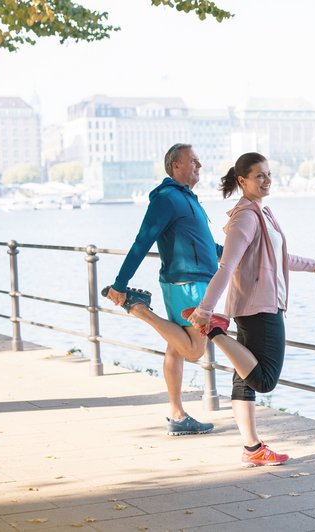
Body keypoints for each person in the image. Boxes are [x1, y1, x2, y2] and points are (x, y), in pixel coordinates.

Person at [185, 152, 315, 467]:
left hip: (255, 305)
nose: (266, 180)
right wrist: (205, 309)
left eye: (268, 174)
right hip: (260, 308)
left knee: (244, 379)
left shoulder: (262, 213)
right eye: (259, 175)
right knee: (265, 379)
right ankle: (214, 330)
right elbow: (227, 266)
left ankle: (252, 449)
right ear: (242, 181)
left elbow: (280, 258)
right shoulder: (245, 216)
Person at [104, 143, 221, 437]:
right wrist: (120, 285)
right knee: (194, 349)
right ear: (176, 166)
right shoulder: (167, 199)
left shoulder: (187, 198)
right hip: (188, 283)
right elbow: (142, 241)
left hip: (190, 279)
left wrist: (238, 251)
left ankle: (177, 414)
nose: (200, 165)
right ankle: (140, 309)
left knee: (176, 346)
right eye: (193, 161)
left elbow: (205, 245)